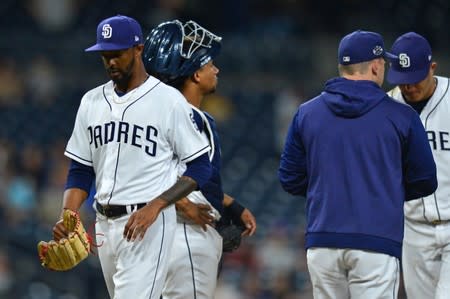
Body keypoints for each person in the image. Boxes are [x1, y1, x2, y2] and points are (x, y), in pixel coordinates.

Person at [50, 15, 213, 299]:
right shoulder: (91, 102)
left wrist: (157, 206)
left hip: (148, 224)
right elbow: (81, 168)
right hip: (104, 225)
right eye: (105, 55)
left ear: (138, 49)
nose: (111, 62)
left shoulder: (168, 101)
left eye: (118, 54)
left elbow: (200, 167)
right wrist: (69, 213)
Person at [278, 29, 438, 299]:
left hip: (323, 241)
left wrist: (329, 188)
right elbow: (425, 180)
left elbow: (289, 178)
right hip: (376, 243)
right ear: (376, 67)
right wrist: (385, 191)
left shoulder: (307, 112)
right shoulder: (402, 116)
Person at [142, 20, 257, 299]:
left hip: (172, 232)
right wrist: (183, 205)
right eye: (208, 64)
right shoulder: (182, 115)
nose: (215, 69)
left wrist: (230, 204)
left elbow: (186, 176)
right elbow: (146, 173)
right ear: (194, 74)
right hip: (184, 233)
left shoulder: (171, 112)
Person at [386, 32, 450, 299]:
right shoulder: (387, 107)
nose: (408, 87)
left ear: (432, 68)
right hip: (413, 230)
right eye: (403, 80)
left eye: (414, 79)